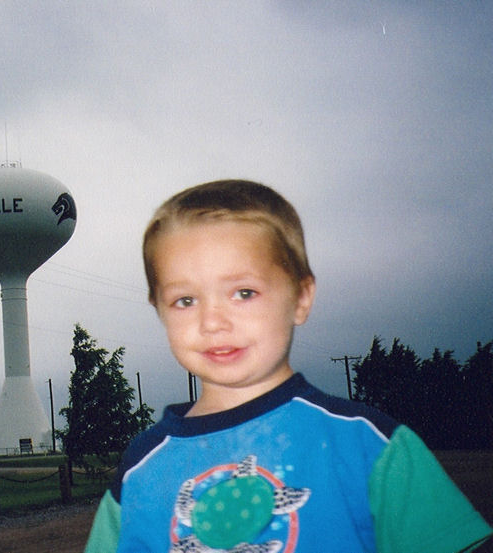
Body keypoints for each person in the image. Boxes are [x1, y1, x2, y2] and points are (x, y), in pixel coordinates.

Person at [84, 180, 492, 552]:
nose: (212, 321)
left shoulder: (368, 443)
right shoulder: (140, 468)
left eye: (243, 293)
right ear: (158, 309)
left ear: (301, 298)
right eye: (185, 300)